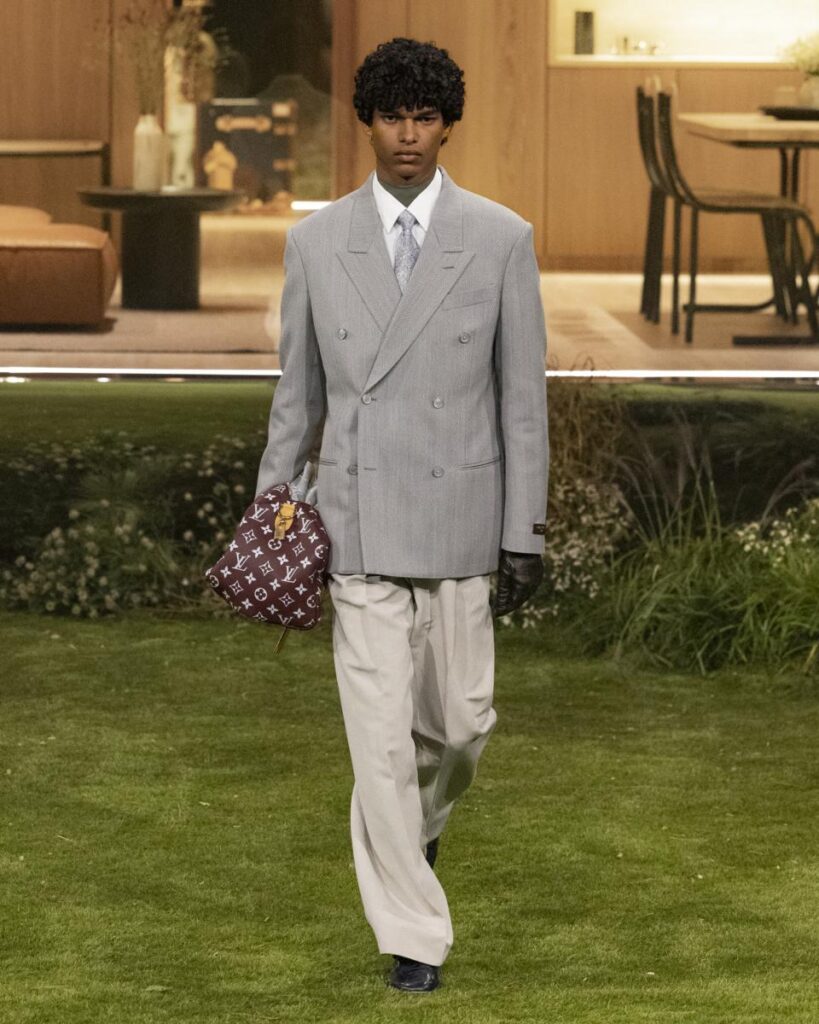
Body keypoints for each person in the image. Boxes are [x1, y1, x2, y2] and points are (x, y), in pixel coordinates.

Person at [255, 37, 548, 993]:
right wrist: (272, 517)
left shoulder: (500, 238)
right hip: (359, 521)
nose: (408, 134)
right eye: (392, 116)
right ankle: (414, 936)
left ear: (447, 125)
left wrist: (524, 529)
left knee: (458, 730)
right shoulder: (316, 242)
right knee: (380, 742)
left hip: (461, 517)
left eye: (425, 117)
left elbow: (521, 400)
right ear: (367, 124)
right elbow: (296, 398)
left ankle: (412, 838)